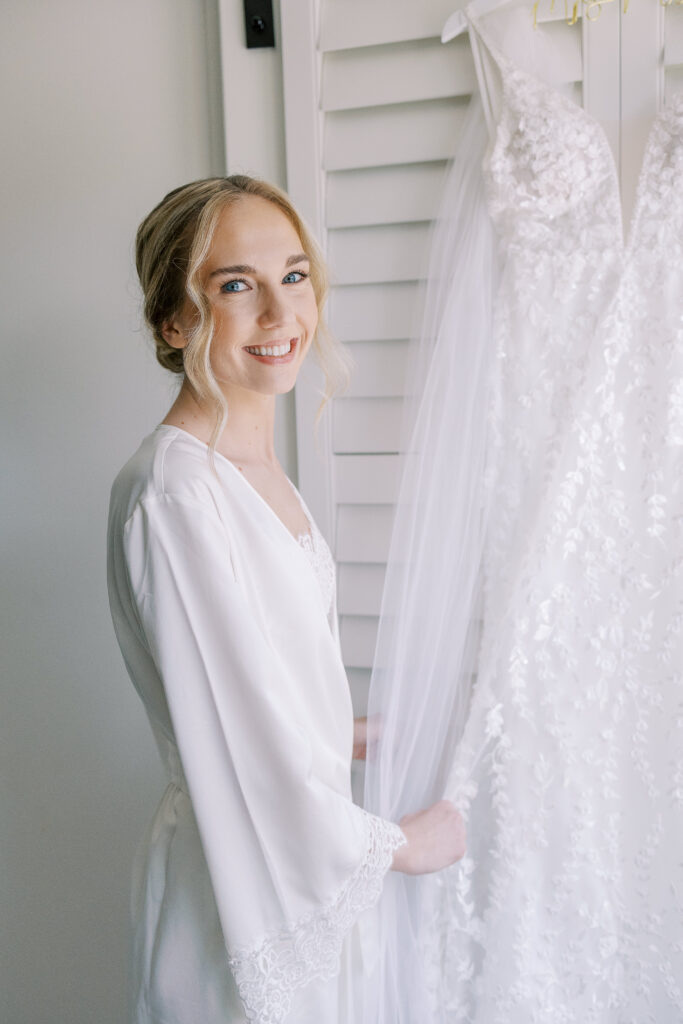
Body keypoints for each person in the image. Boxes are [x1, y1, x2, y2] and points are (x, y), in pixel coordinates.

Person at [107, 175, 466, 1024]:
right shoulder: (177, 493)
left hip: (298, 871)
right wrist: (402, 848)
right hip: (240, 892)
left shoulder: (256, 473)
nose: (279, 314)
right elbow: (229, 738)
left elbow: (245, 688)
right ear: (174, 320)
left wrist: (339, 733)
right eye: (236, 285)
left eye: (294, 277)